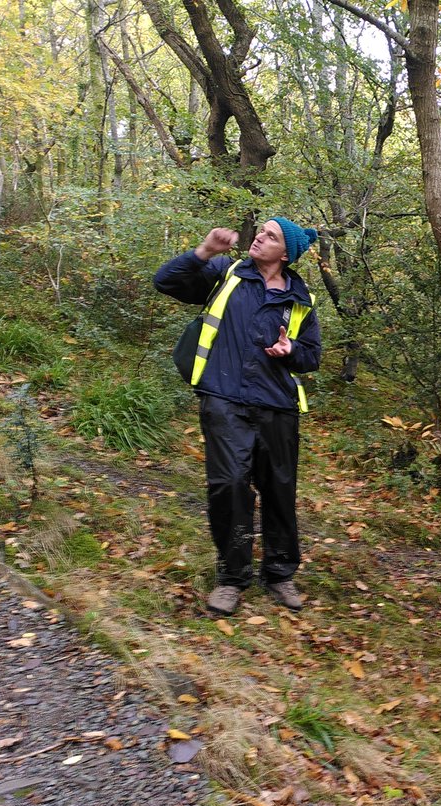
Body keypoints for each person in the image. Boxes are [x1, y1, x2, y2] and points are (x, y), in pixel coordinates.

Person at [155, 218, 321, 615]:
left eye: (271, 236)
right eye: (260, 231)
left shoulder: (300, 296)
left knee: (279, 491)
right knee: (229, 485)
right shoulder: (226, 272)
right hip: (224, 398)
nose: (259, 237)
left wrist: (291, 350)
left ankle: (280, 573)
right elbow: (166, 281)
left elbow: (312, 356)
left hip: (278, 406)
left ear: (286, 254)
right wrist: (204, 251)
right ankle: (232, 577)